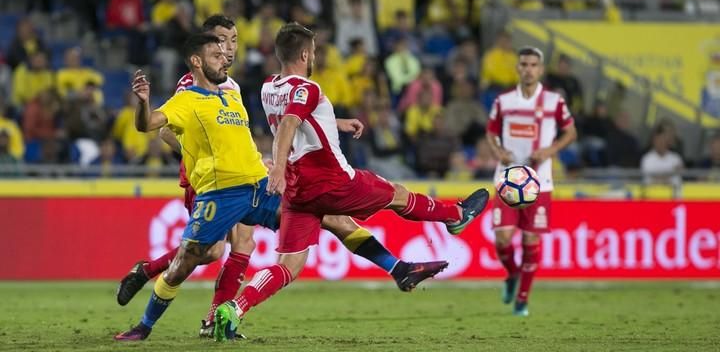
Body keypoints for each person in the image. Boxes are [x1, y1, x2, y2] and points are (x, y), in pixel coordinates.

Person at [115, 20, 439, 340]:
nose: (228, 50)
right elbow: (165, 131)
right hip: (212, 185)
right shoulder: (189, 89)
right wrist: (205, 156)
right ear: (201, 54)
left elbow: (257, 128)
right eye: (220, 43)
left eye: (233, 41)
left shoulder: (231, 89)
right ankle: (147, 285)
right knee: (206, 254)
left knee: (326, 218)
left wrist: (319, 129)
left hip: (254, 180)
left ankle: (397, 268)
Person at [212, 22, 489, 341]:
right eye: (313, 52)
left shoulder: (268, 87)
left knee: (288, 266)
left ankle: (235, 308)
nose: (314, 57)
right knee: (397, 194)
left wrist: (335, 123)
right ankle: (456, 217)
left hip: (298, 190)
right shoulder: (309, 88)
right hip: (333, 181)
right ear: (304, 54)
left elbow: (296, 118)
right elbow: (290, 122)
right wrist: (275, 169)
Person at [485, 46, 577, 317]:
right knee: (502, 239)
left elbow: (571, 132)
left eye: (533, 65)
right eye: (523, 64)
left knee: (530, 242)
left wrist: (549, 151)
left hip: (540, 183)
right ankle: (513, 274)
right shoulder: (503, 101)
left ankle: (522, 299)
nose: (528, 69)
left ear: (541, 69)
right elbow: (491, 132)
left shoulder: (554, 101)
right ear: (517, 68)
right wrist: (498, 151)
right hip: (507, 180)